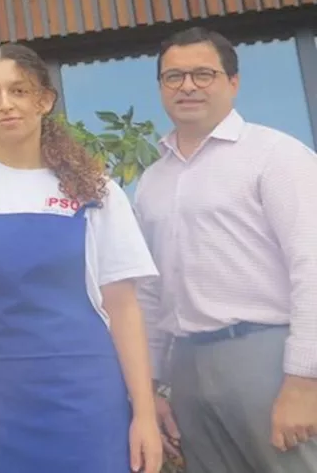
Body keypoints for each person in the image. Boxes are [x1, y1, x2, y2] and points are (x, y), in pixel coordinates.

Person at [0, 43, 163, 473]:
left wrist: (144, 413)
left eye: (19, 91)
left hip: (89, 398)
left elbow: (123, 309)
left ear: (45, 100)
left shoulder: (95, 191)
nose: (5, 105)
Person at [134, 26, 317, 472]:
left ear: (232, 82)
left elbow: (311, 266)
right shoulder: (151, 183)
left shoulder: (276, 156)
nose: (188, 86)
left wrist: (303, 381)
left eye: (203, 74)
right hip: (187, 367)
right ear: (161, 87)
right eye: (174, 77)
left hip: (268, 358)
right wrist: (151, 389)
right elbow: (149, 293)